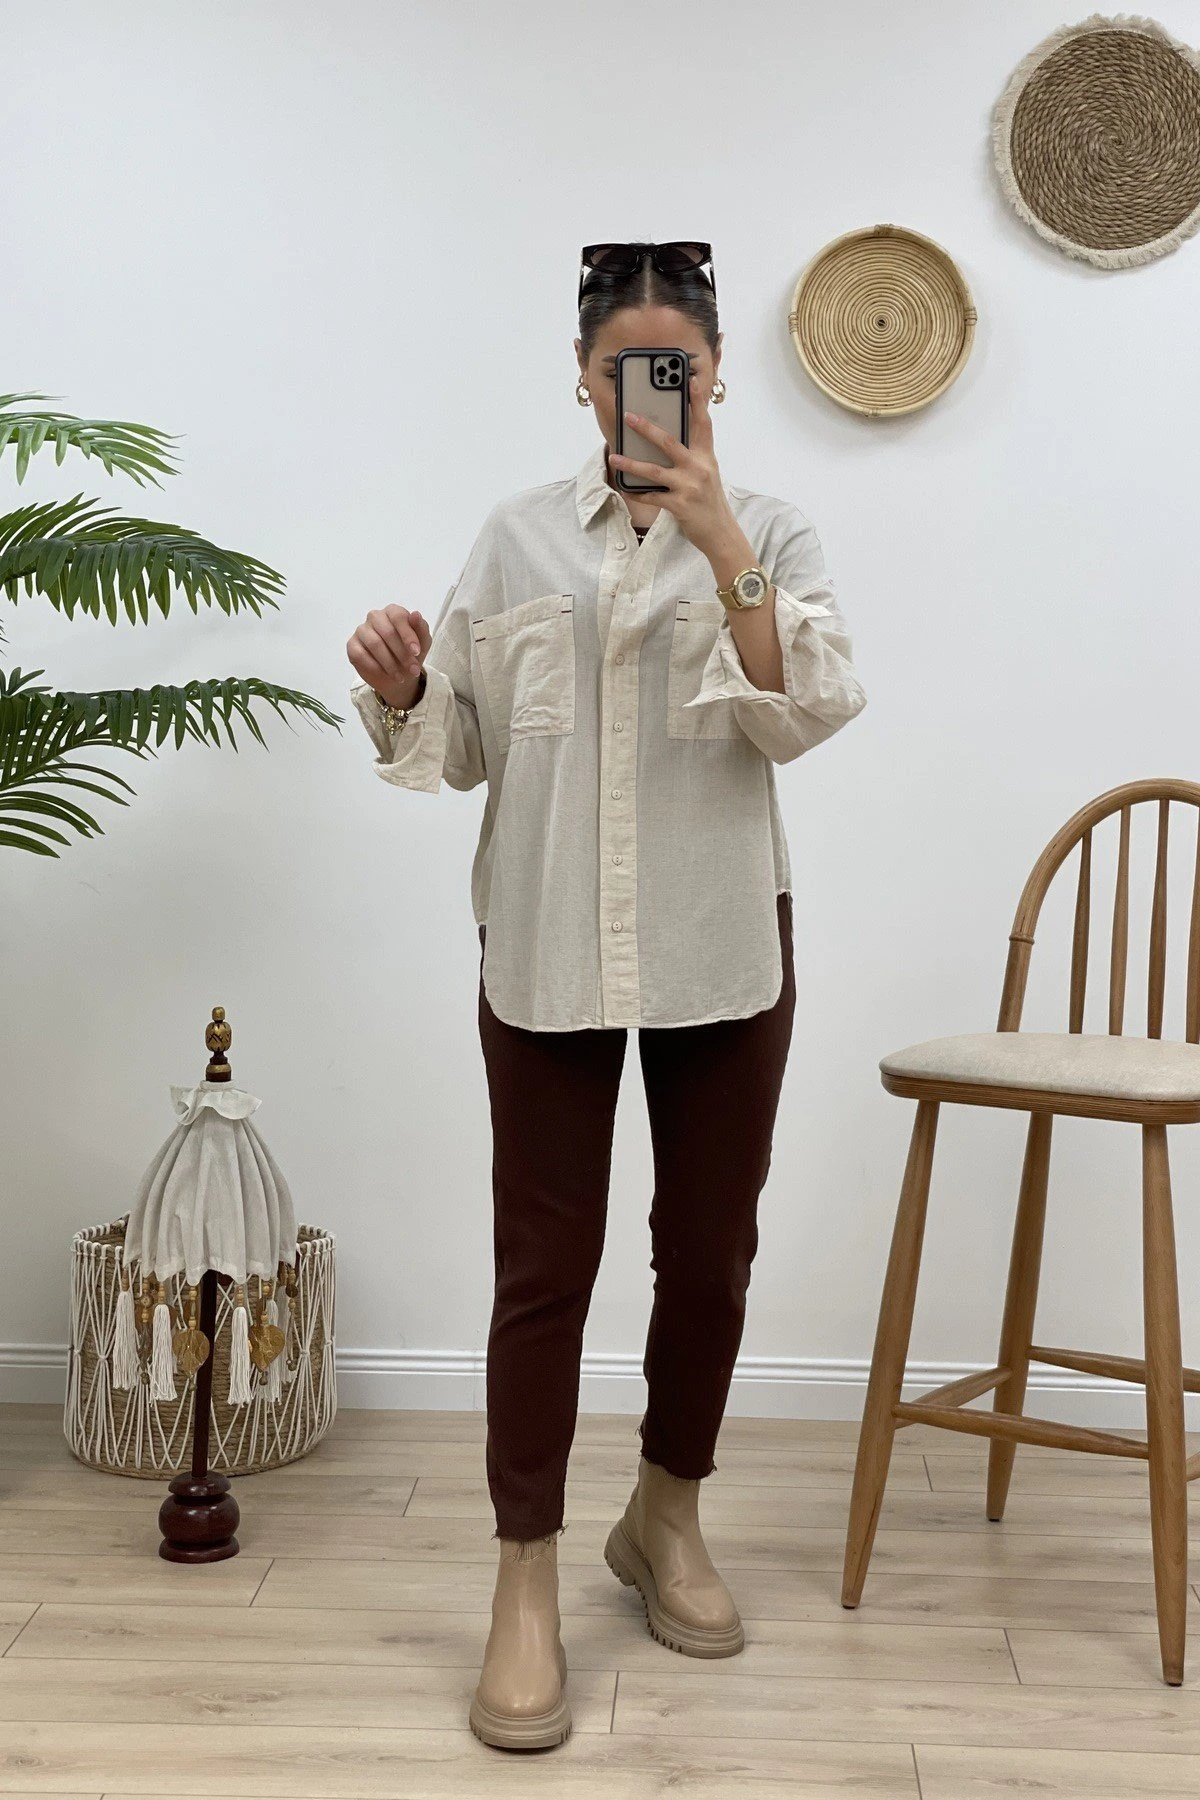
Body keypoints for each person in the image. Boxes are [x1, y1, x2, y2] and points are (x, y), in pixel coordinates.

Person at [345, 239, 867, 1752]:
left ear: (715, 377)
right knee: (543, 1271)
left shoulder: (771, 530)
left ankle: (665, 1515)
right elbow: (457, 748)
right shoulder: (515, 540)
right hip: (548, 945)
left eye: (678, 369)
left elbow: (806, 708)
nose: (652, 391)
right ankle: (524, 1575)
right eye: (626, 368)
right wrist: (401, 685)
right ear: (583, 381)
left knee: (707, 1257)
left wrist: (722, 542)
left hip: (719, 941)